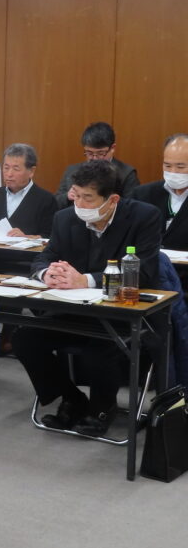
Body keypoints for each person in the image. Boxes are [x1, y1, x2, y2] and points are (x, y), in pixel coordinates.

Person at [13, 161, 162, 436]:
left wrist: (87, 280)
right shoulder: (65, 218)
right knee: (25, 338)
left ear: (112, 200)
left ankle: (102, 410)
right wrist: (47, 273)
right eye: (76, 195)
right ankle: (72, 398)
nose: (79, 204)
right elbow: (44, 257)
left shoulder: (144, 217)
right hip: (74, 310)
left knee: (100, 346)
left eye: (88, 198)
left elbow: (144, 273)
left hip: (121, 311)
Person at [0, 143, 57, 239]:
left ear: (31, 171)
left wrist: (26, 237)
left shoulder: (46, 200)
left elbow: (50, 236)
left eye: (16, 169)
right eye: (6, 168)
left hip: (24, 249)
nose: (9, 174)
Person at [131, 134, 188, 275]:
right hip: (148, 275)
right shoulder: (142, 194)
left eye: (180, 166)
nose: (173, 172)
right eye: (167, 165)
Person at [55, 121, 139, 209]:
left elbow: (132, 208)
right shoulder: (72, 171)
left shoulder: (127, 173)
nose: (95, 158)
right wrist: (67, 196)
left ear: (112, 148)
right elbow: (55, 203)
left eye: (101, 153)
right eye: (89, 153)